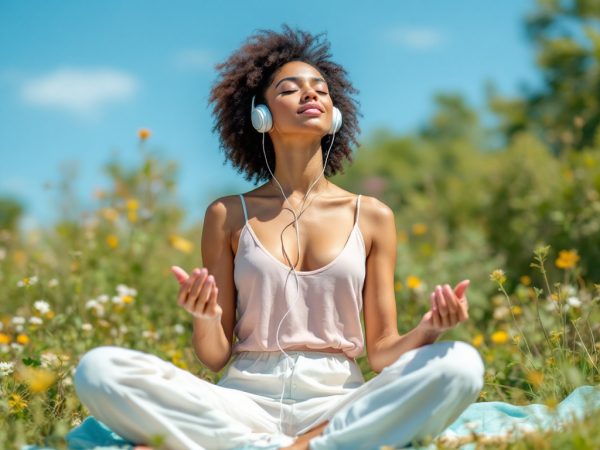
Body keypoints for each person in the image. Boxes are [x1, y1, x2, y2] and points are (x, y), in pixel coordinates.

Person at [73, 25, 484, 450]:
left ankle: (291, 445)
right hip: (245, 402)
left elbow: (381, 353)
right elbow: (214, 356)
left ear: (335, 115)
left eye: (321, 90)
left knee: (461, 366)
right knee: (99, 370)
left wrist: (431, 329)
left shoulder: (373, 216)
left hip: (338, 401)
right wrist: (204, 316)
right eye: (290, 89)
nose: (311, 96)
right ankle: (284, 446)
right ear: (260, 115)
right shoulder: (228, 214)